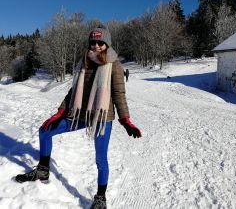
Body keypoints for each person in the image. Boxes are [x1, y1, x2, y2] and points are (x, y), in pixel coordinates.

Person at [15, 26, 142, 209]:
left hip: (101, 117)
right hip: (80, 115)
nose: (96, 46)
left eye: (101, 42)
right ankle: (43, 171)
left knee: (101, 159)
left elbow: (119, 94)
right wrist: (60, 113)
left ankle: (100, 197)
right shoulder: (84, 61)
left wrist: (125, 120)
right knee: (45, 130)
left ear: (107, 44)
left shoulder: (114, 64)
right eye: (93, 42)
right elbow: (73, 91)